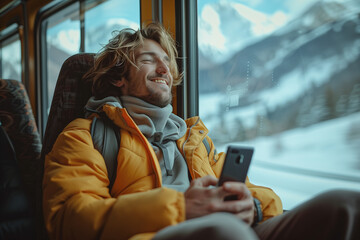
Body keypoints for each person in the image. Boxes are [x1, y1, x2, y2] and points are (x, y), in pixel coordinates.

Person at [42, 23, 360, 240]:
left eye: (167, 61)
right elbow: (69, 219)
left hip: (227, 229)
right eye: (149, 61)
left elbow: (252, 193)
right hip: (156, 233)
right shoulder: (83, 136)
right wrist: (180, 208)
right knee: (225, 232)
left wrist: (253, 206)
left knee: (344, 205)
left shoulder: (191, 139)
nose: (165, 70)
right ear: (118, 78)